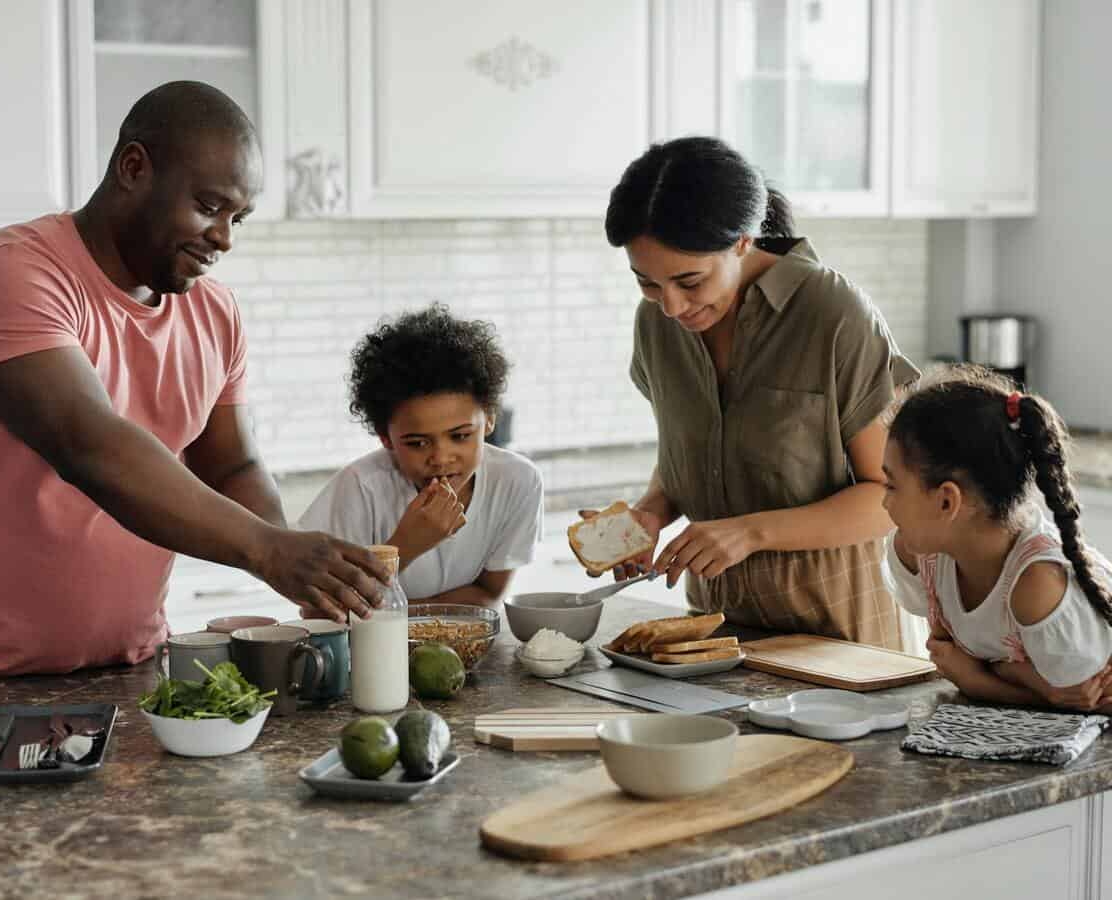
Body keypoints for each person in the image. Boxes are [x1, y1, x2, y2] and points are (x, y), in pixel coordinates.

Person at [0, 81, 387, 686]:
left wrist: (296, 562)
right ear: (134, 167)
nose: (225, 238)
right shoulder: (14, 273)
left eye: (238, 218)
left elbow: (233, 465)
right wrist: (268, 550)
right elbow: (90, 446)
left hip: (132, 666)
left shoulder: (215, 312)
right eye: (209, 207)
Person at [598, 136, 918, 649]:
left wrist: (749, 533)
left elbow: (892, 498)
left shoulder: (832, 313)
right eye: (648, 284)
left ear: (744, 241)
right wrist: (651, 514)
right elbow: (694, 457)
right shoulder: (655, 325)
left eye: (690, 281)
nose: (673, 307)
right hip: (715, 636)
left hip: (841, 637)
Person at [882, 365, 1112, 711]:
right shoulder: (923, 553)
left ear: (947, 501)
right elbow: (948, 657)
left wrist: (979, 679)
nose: (884, 501)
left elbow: (1083, 704)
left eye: (892, 485)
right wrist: (1014, 675)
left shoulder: (1037, 586)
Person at [298, 304, 543, 608]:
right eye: (417, 443)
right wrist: (405, 546)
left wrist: (403, 616)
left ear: (490, 418)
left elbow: (489, 594)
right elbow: (319, 611)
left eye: (460, 436)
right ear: (385, 436)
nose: (440, 458)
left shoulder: (517, 481)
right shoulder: (360, 488)